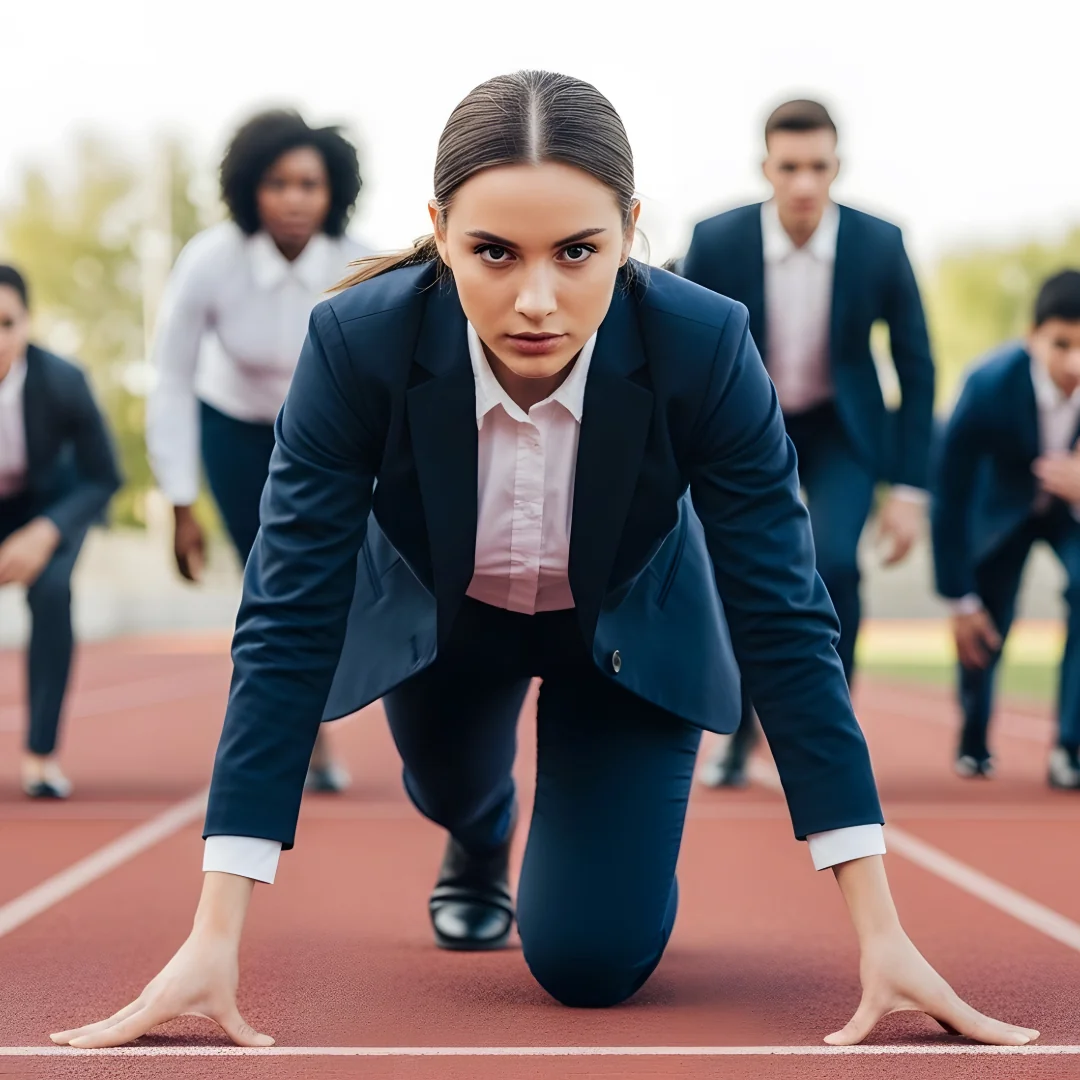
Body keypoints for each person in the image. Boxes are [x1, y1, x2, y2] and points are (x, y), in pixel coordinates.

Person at [52, 72, 1036, 1050]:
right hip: (450, 631)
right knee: (447, 790)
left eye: (577, 252)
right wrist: (215, 930)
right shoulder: (357, 345)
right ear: (439, 230)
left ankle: (611, 851)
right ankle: (480, 839)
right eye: (491, 252)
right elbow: (288, 614)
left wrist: (881, 928)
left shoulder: (703, 345)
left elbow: (782, 612)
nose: (535, 301)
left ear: (630, 229)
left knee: (591, 967)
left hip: (627, 640)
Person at [681, 99, 935, 788]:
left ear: (836, 168)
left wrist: (910, 491)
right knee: (732, 573)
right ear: (766, 167)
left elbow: (916, 365)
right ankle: (738, 730)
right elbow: (682, 354)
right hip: (743, 427)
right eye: (788, 167)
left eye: (817, 167)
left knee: (835, 566)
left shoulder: (880, 243)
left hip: (840, 430)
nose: (802, 183)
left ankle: (826, 726)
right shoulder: (717, 240)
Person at [146, 109, 371, 792]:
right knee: (270, 579)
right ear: (249, 190)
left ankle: (314, 719)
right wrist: (181, 502)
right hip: (236, 429)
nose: (295, 199)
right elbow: (170, 378)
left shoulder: (360, 261)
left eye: (310, 183)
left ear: (335, 192)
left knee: (331, 579)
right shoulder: (210, 262)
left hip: (328, 433)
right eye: (278, 183)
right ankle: (293, 737)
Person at [932, 269, 1080, 786]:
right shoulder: (988, 385)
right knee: (986, 625)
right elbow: (947, 493)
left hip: (1072, 514)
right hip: (999, 516)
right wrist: (957, 598)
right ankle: (974, 738)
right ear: (1032, 336)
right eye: (1061, 344)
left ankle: (1071, 748)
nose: (1074, 363)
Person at [0, 264, 122, 798]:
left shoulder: (63, 381)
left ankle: (40, 756)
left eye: (6, 322)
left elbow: (104, 476)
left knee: (51, 591)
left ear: (28, 323)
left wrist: (46, 530)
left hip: (51, 504)